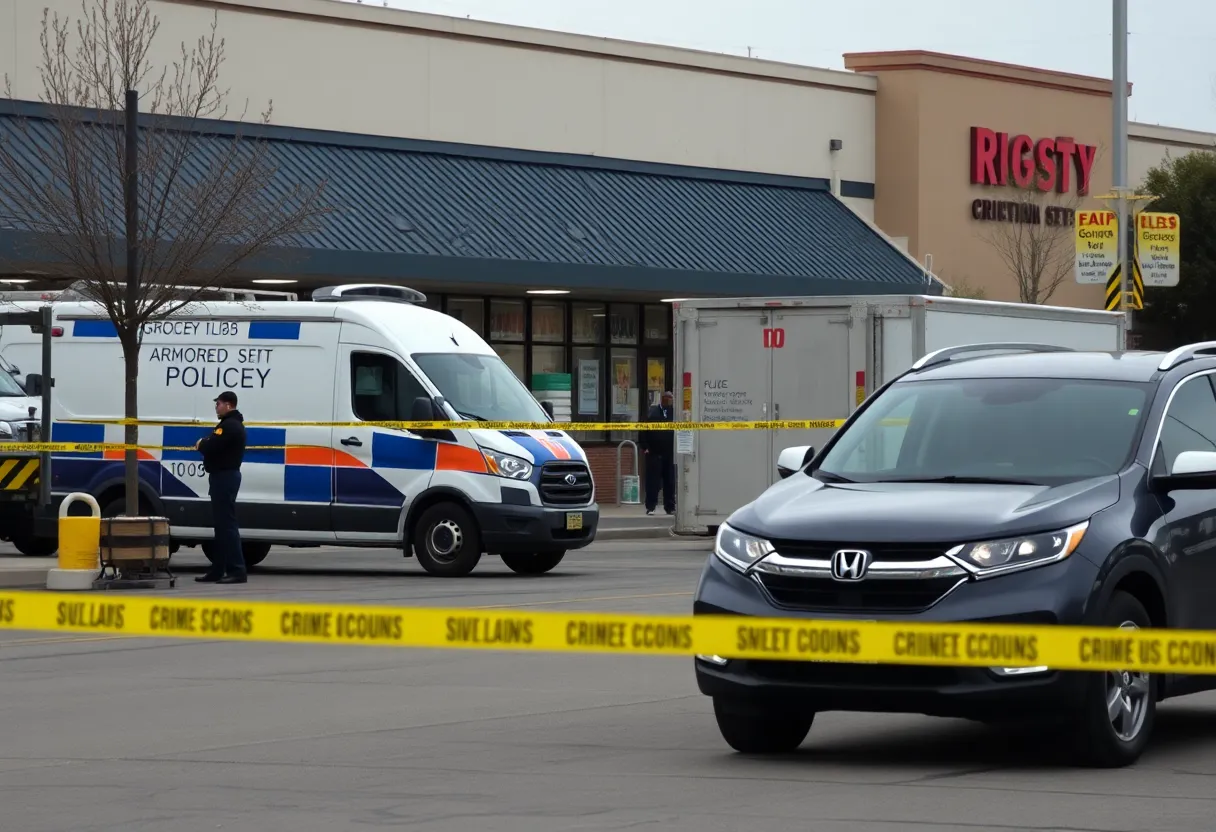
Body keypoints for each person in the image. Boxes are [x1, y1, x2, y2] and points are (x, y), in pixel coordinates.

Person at [194, 390, 248, 584]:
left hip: (225, 478)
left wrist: (202, 443)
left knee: (227, 526)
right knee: (221, 527)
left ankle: (237, 570)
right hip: (221, 477)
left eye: (218, 404)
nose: (216, 407)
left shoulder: (230, 426)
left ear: (228, 405)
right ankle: (218, 570)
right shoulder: (228, 424)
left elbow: (211, 446)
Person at [642, 390, 676, 516]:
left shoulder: (674, 413)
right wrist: (645, 446)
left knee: (670, 481)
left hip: (669, 453)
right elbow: (643, 429)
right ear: (662, 399)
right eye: (667, 398)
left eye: (671, 398)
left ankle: (670, 506)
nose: (669, 401)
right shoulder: (653, 412)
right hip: (654, 453)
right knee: (653, 482)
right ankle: (651, 506)